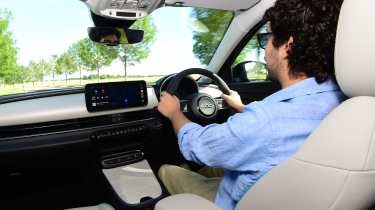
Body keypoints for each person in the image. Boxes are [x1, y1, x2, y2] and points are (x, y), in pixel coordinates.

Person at [157, 0, 346, 209]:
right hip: (283, 192)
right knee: (207, 169)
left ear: (287, 47)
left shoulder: (264, 121)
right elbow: (279, 130)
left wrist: (175, 113)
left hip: (236, 201)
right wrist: (243, 108)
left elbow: (198, 145)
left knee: (168, 169)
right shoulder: (344, 102)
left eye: (267, 37)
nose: (265, 50)